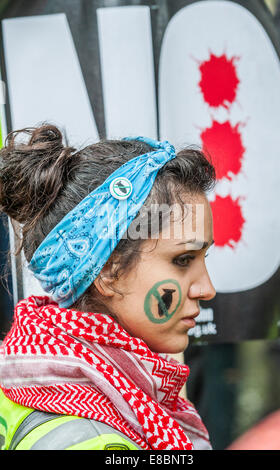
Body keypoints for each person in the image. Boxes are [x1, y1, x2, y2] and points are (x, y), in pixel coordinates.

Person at [0, 124, 216, 450]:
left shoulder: (28, 371)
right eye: (183, 260)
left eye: (204, 257)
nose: (207, 288)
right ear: (109, 272)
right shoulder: (94, 441)